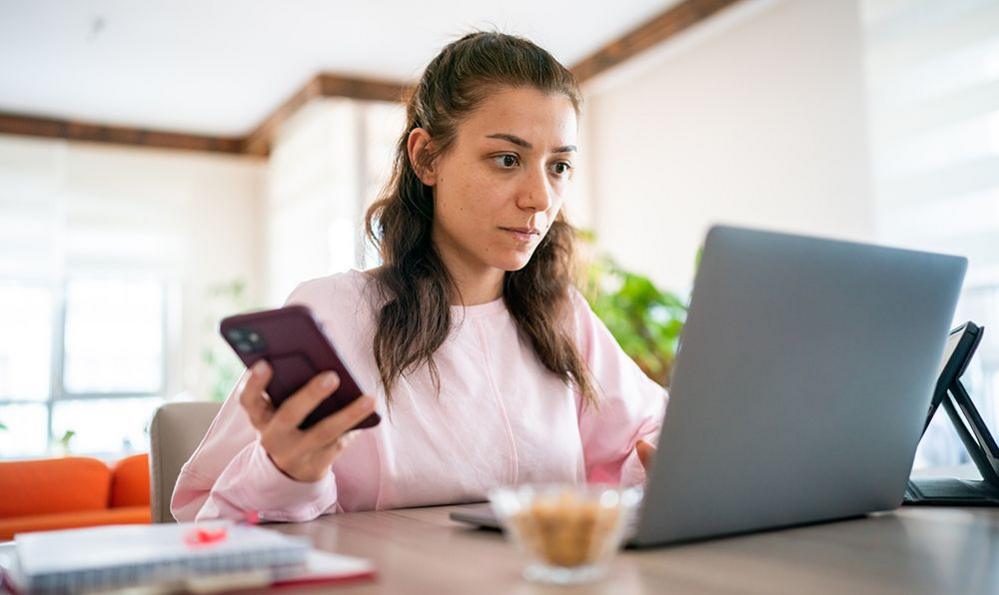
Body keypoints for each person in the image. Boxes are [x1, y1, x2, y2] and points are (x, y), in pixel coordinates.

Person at [172, 31, 667, 523]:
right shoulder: (334, 314)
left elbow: (653, 438)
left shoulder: (561, 317)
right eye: (508, 159)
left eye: (559, 166)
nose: (540, 197)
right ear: (427, 157)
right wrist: (283, 472)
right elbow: (203, 523)